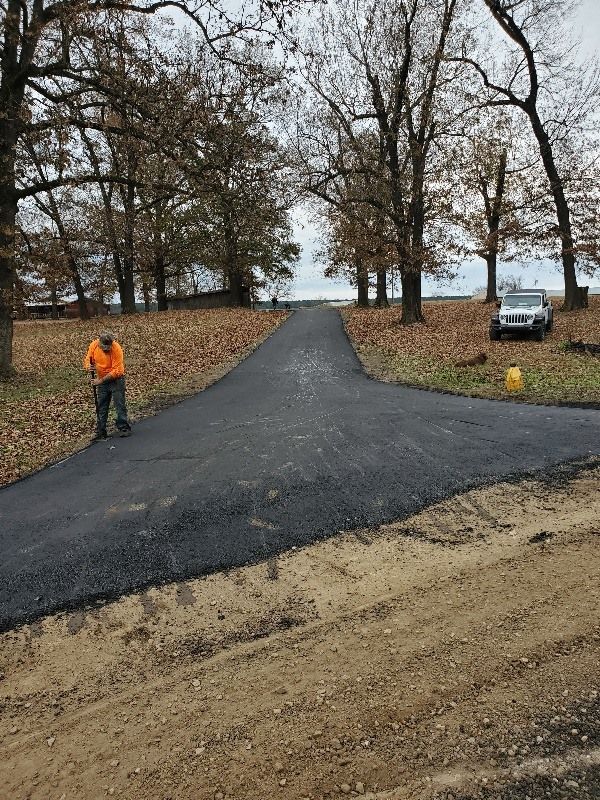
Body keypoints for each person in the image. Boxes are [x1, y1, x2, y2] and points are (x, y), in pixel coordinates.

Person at [84, 331, 132, 440]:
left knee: (119, 404)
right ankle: (101, 429)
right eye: (103, 347)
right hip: (102, 379)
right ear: (99, 342)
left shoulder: (116, 349)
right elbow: (88, 359)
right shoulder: (94, 345)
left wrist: (100, 381)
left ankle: (123, 427)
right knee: (102, 405)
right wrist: (88, 366)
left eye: (107, 347)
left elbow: (118, 371)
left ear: (111, 344)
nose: (105, 349)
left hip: (116, 380)